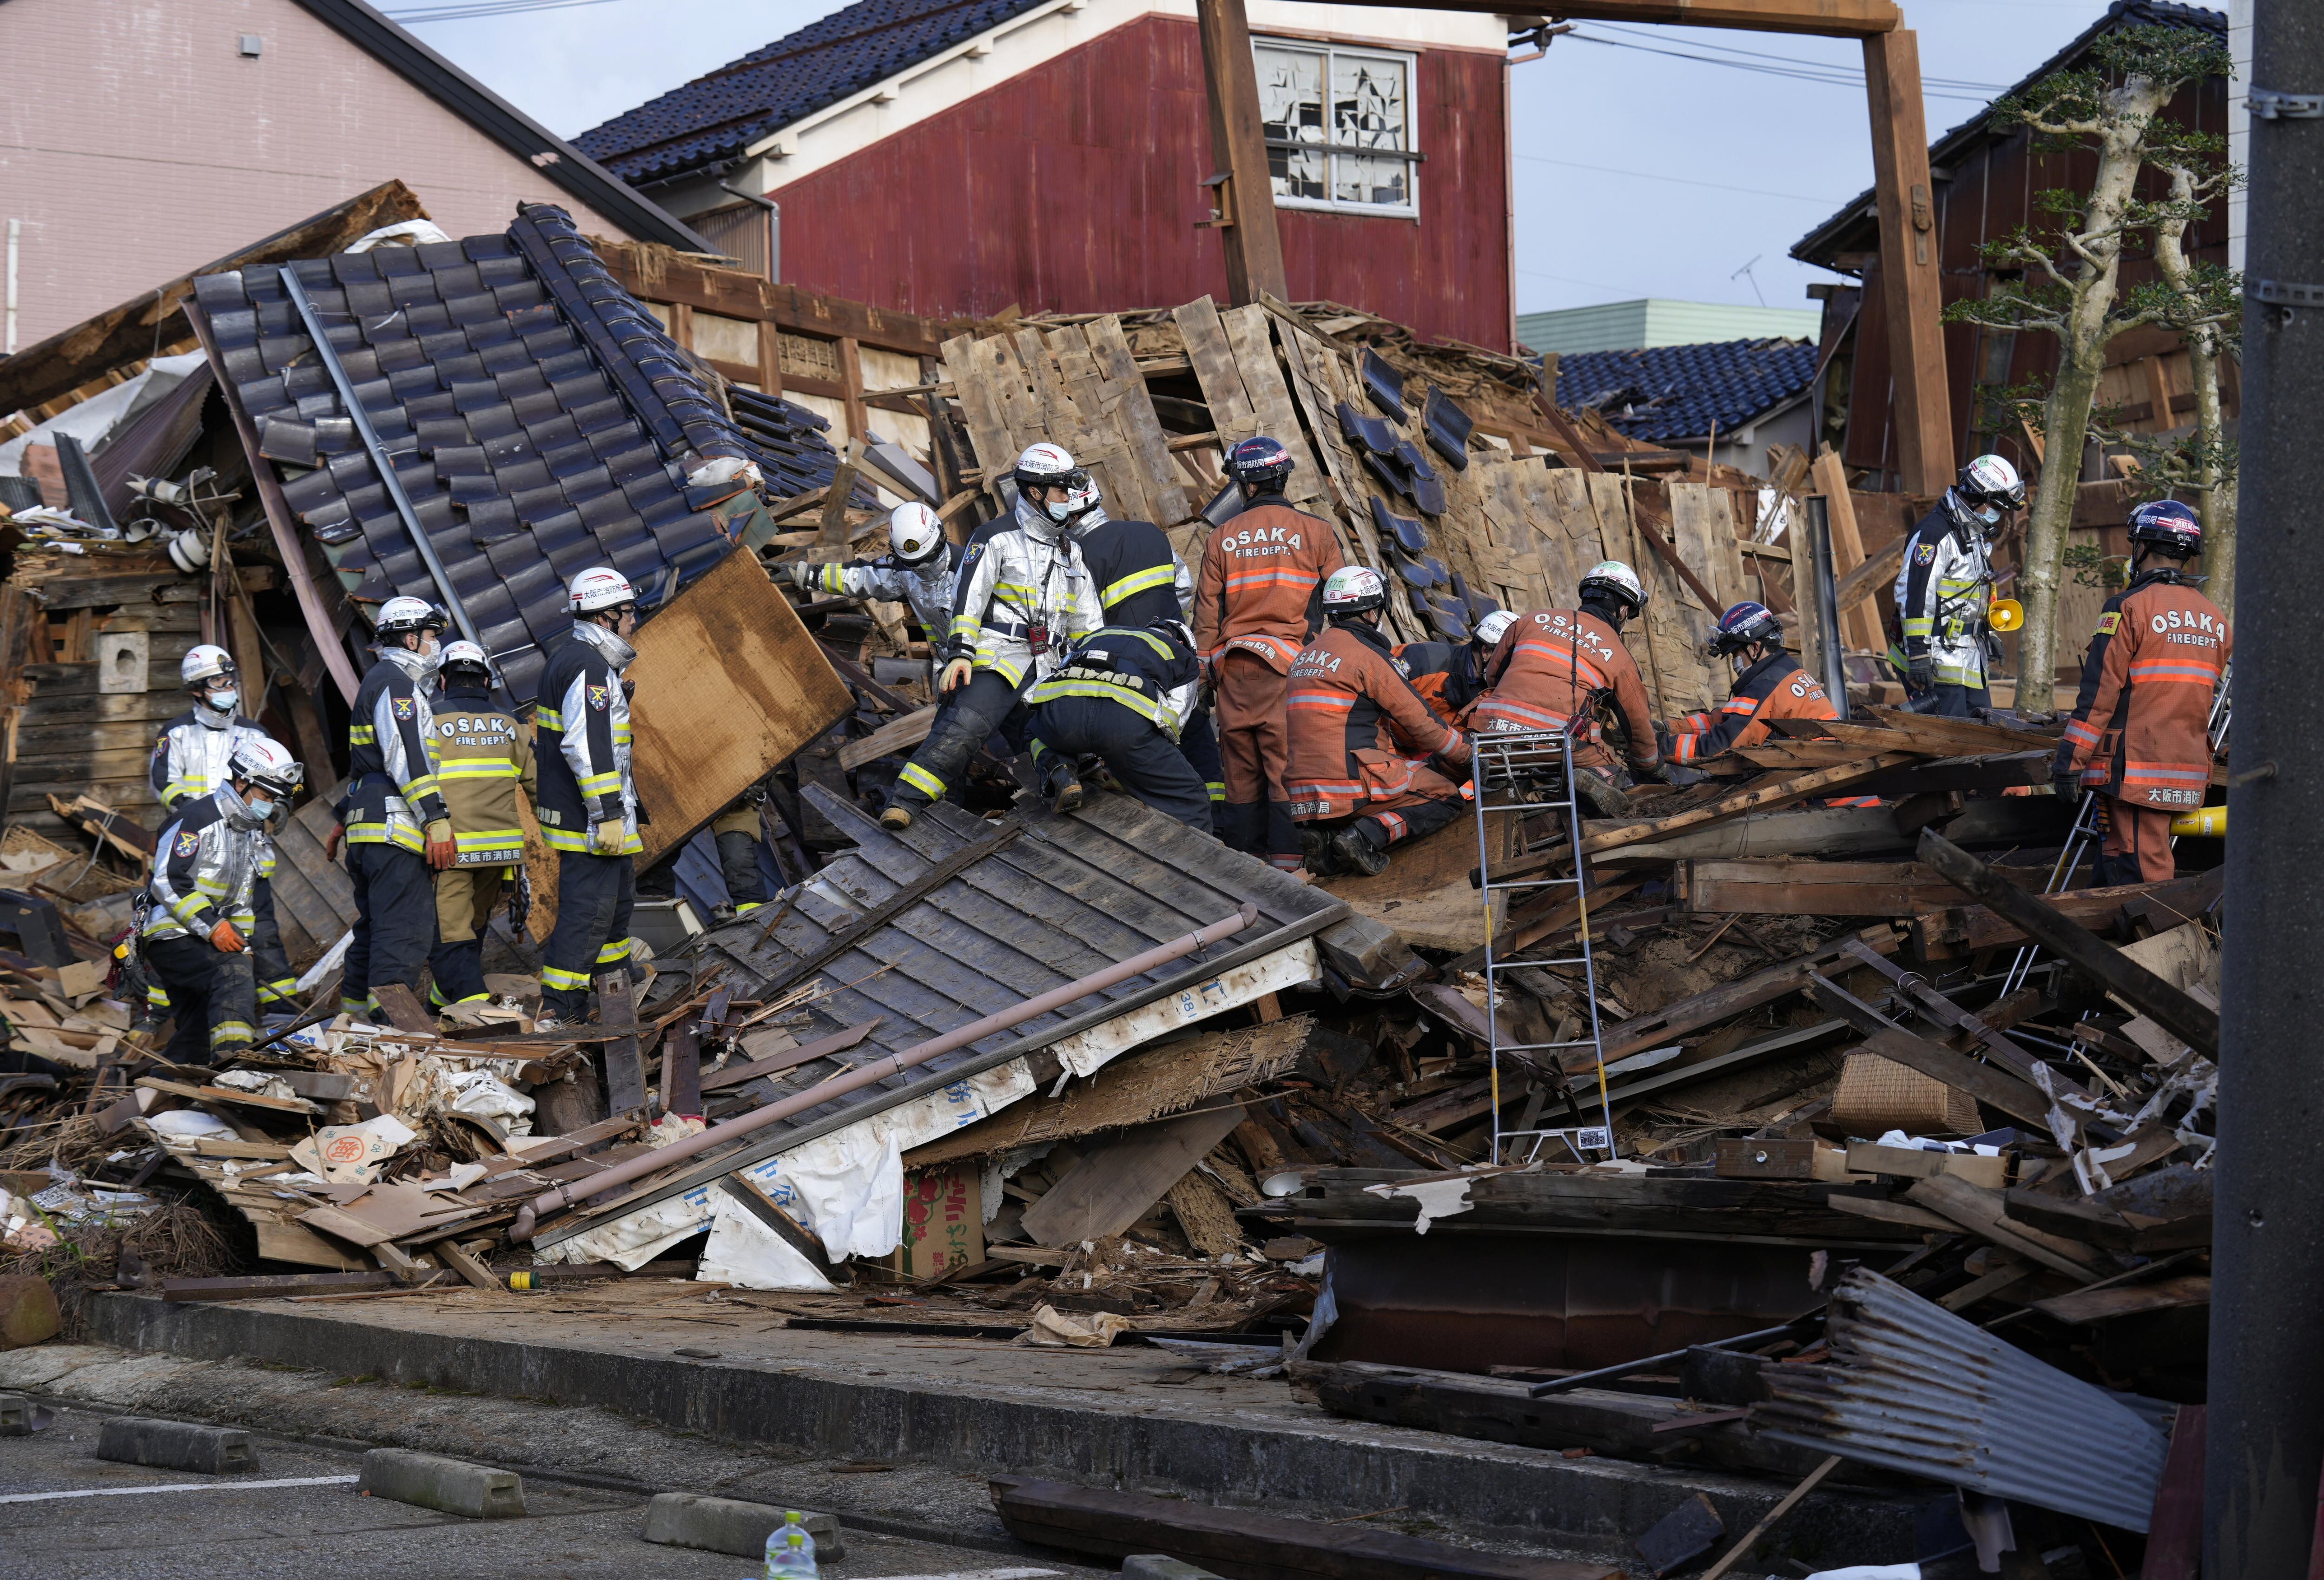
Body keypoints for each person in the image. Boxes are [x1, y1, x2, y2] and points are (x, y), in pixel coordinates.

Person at [881, 443, 1104, 831]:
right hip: (999, 655)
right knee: (964, 727)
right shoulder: (995, 537)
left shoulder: (1071, 551)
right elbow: (969, 598)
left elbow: (1087, 621)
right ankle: (906, 802)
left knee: (1047, 729)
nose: (1069, 499)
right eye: (1061, 491)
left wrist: (1093, 665)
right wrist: (961, 653)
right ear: (1034, 491)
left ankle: (1064, 783)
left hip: (1050, 663)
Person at [2053, 500, 2230, 884]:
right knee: (2112, 878)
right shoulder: (2216, 620)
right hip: (2187, 773)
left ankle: (2163, 946)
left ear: (2143, 547)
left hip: (2134, 774)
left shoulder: (2127, 609)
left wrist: (2069, 762)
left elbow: (2098, 697)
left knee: (2143, 886)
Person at [1193, 436, 1345, 873]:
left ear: (1246, 486)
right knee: (1284, 766)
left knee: (1239, 770)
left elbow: (1206, 615)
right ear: (1282, 477)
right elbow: (1340, 601)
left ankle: (1246, 865)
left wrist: (1205, 675)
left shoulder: (1222, 537)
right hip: (1289, 669)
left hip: (1235, 670)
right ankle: (1288, 863)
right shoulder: (1317, 531)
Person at [1286, 565, 1473, 876]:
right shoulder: (1368, 657)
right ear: (1372, 611)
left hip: (1303, 794)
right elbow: (1422, 724)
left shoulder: (1303, 658)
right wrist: (1467, 753)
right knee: (1447, 796)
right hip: (1352, 786)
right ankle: (1366, 836)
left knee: (1406, 773)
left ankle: (1328, 839)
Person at [147, 645, 297, 1015]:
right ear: (197, 689)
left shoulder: (255, 735)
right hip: (193, 849)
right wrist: (197, 819)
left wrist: (271, 812)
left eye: (230, 680)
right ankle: (162, 1014)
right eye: (218, 681)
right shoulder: (177, 733)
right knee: (175, 929)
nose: (228, 687)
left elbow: (278, 793)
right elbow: (163, 783)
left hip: (248, 853)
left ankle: (278, 1009)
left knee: (262, 931)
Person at [327, 597, 455, 1019]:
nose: (437, 645)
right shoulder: (398, 686)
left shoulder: (377, 680)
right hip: (394, 830)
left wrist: (340, 817)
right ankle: (390, 1030)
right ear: (411, 637)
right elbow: (408, 760)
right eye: (433, 636)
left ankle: (352, 1024)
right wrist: (436, 821)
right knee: (402, 933)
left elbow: (366, 764)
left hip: (366, 828)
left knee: (372, 931)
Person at [141, 736, 302, 1065]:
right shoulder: (196, 820)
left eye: (275, 799)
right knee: (232, 973)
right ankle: (235, 1067)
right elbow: (168, 880)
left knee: (200, 1023)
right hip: (172, 934)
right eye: (266, 795)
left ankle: (165, 1092)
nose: (269, 805)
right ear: (242, 781)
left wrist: (244, 943)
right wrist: (215, 928)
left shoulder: (246, 831)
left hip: (199, 936)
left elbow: (241, 901)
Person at [534, 567, 645, 1028]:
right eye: (627, 611)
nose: (633, 619)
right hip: (591, 818)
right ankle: (560, 1009)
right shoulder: (587, 667)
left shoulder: (578, 660)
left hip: (592, 813)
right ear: (605, 618)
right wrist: (608, 815)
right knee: (589, 914)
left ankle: (613, 979)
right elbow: (588, 746)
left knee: (614, 906)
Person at [1469, 562, 1662, 817]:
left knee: (1492, 757)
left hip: (1491, 735)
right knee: (1611, 770)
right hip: (1556, 745)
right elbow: (1638, 727)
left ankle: (1494, 778)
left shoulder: (1532, 619)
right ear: (1623, 610)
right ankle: (1589, 779)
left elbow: (1494, 674)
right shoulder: (1620, 656)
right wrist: (1652, 767)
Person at [1074, 511, 1220, 824]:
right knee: (1196, 734)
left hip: (1128, 671)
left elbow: (1085, 627)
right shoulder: (1149, 532)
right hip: (1176, 654)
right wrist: (1168, 628)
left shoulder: (1078, 551)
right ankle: (1221, 822)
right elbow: (1184, 585)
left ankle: (1174, 826)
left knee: (1152, 749)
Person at [424, 641, 535, 1009]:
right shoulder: (513, 723)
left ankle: (476, 1009)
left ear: (443, 679)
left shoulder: (430, 720)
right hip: (501, 850)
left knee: (451, 933)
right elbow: (539, 785)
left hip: (451, 849)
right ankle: (440, 1001)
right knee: (474, 924)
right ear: (487, 681)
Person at [1026, 616, 1210, 831]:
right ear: (1182, 643)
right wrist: (1132, 773)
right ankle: (1197, 859)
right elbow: (1171, 723)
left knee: (1034, 731)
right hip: (1125, 725)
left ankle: (1061, 769)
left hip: (1063, 715)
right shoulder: (1182, 656)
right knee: (1192, 798)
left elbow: (1065, 681)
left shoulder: (1099, 634)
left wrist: (1092, 762)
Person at [1895, 454, 2025, 718]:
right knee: (1947, 750)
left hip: (1970, 663)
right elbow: (1914, 595)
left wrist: (1989, 634)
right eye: (1995, 506)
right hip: (1936, 665)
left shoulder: (1971, 534)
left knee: (1981, 741)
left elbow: (1971, 594)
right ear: (1977, 498)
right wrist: (1919, 654)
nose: (1997, 515)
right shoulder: (1934, 535)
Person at [786, 502, 955, 650]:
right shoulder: (905, 572)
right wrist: (805, 575)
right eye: (914, 562)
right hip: (950, 662)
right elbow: (862, 577)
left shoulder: (970, 572)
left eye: (926, 559)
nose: (921, 567)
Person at [1397, 608, 1516, 730]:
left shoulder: (1486, 699)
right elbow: (1379, 700)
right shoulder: (1423, 658)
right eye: (1508, 661)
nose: (1510, 669)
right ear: (1486, 652)